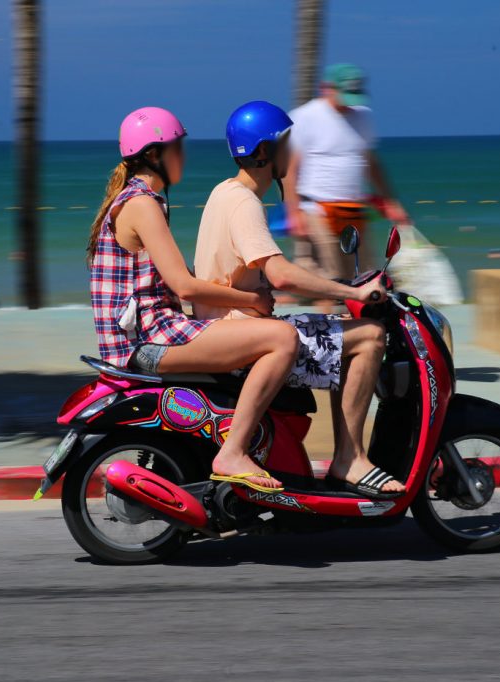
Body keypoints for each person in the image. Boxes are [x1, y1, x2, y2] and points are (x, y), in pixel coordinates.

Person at [194, 100, 405, 499]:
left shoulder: (224, 192)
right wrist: (353, 292)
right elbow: (281, 273)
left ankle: (346, 456)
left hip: (234, 328)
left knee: (341, 331)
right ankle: (351, 458)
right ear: (262, 152)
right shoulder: (244, 203)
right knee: (369, 337)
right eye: (286, 144)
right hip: (244, 338)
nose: (294, 153)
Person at [88, 107, 301, 493]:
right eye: (177, 147)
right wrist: (249, 300)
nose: (183, 155)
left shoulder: (135, 200)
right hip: (149, 342)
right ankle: (234, 452)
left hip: (149, 334)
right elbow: (184, 286)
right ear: (154, 155)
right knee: (282, 338)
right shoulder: (142, 204)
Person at [284, 63, 409, 281]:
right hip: (315, 209)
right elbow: (289, 171)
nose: (349, 104)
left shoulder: (363, 116)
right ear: (327, 88)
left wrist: (389, 201)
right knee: (330, 278)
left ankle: (357, 315)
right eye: (344, 95)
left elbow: (371, 163)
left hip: (353, 210)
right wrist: (294, 214)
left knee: (366, 276)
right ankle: (328, 312)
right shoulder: (305, 116)